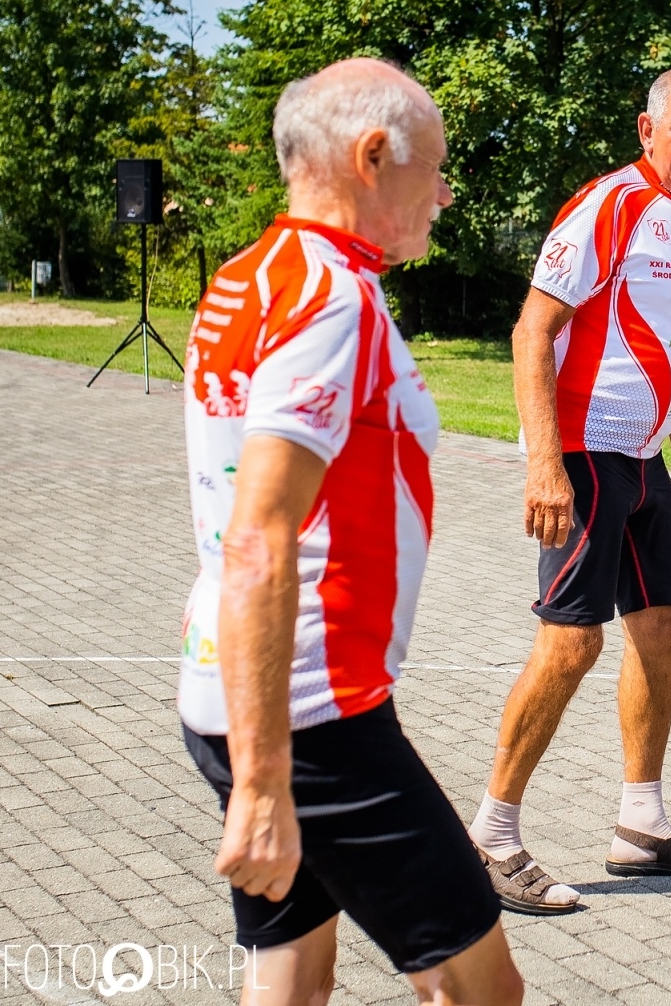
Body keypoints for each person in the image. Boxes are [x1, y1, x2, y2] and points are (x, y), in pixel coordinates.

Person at [179, 59, 523, 1005]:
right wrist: (263, 781)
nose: (445, 194)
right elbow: (260, 535)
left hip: (230, 685)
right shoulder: (332, 301)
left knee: (293, 972)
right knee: (481, 990)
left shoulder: (247, 280)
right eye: (437, 168)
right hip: (311, 716)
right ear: (373, 156)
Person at [468, 66, 671, 914]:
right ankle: (491, 836)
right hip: (583, 454)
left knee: (662, 630)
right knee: (571, 642)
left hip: (645, 461)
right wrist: (543, 464)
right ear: (646, 129)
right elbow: (531, 330)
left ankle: (641, 825)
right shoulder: (606, 206)